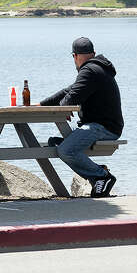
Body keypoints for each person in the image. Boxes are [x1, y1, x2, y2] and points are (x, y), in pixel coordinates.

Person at [40, 36, 123, 198]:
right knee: (55, 143)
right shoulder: (96, 69)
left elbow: (69, 98)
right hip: (102, 126)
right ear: (93, 53)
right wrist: (41, 105)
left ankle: (102, 176)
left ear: (74, 56)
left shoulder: (89, 70)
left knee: (66, 150)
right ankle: (98, 175)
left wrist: (64, 108)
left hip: (103, 127)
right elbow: (68, 91)